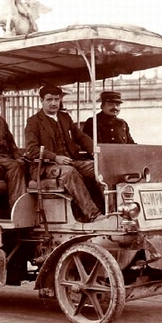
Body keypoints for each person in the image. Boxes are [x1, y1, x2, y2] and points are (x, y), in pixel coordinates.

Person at [24, 85, 105, 222]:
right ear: (41, 101)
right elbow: (32, 150)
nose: (54, 103)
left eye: (56, 99)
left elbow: (81, 137)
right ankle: (94, 215)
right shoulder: (33, 122)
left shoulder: (65, 118)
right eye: (49, 99)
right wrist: (55, 157)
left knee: (98, 167)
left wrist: (96, 152)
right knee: (69, 172)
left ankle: (111, 210)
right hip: (45, 167)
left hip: (71, 161)